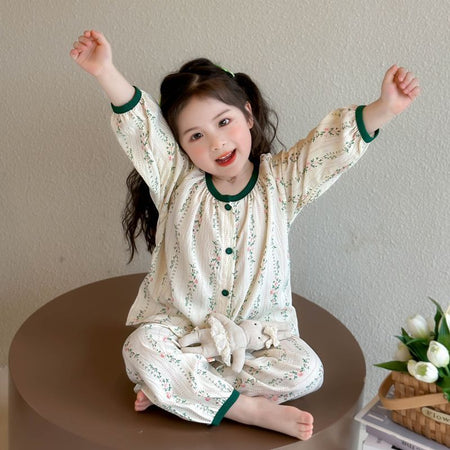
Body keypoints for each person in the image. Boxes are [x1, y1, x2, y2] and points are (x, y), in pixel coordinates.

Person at [70, 29, 420, 441]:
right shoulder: (176, 181)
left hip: (257, 339)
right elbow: (141, 128)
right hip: (181, 335)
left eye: (224, 122)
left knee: (307, 371)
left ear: (248, 116)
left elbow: (328, 151)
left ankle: (179, 389)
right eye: (196, 136)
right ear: (180, 146)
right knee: (140, 348)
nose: (217, 142)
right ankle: (245, 408)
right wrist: (105, 70)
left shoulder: (281, 182)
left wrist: (385, 108)